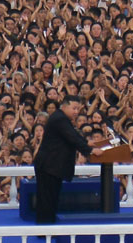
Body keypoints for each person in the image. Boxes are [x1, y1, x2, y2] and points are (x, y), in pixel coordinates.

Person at [32, 95, 96, 226]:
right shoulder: (60, 119)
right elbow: (72, 137)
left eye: (78, 109)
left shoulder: (62, 118)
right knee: (47, 200)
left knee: (51, 198)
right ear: (65, 106)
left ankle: (47, 227)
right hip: (49, 166)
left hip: (52, 166)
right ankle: (45, 229)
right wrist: (90, 151)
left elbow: (74, 135)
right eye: (74, 108)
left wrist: (87, 143)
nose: (76, 112)